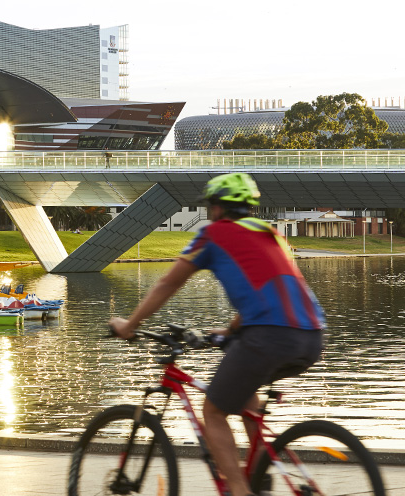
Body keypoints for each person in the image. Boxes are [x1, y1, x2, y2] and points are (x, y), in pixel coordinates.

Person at [109, 173, 325, 496]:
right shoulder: (272, 234)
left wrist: (131, 324)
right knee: (247, 401)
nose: (209, 212)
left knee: (213, 410)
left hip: (267, 336)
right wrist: (232, 329)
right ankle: (260, 478)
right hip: (311, 336)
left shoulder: (213, 235)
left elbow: (169, 283)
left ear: (219, 206)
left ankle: (239, 491)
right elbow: (274, 290)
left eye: (211, 205)